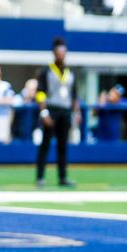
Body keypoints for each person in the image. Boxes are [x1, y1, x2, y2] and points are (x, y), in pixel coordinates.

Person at [35, 37, 79, 188]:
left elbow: (74, 95)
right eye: (59, 52)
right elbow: (40, 93)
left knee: (63, 145)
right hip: (52, 109)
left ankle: (62, 177)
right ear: (54, 53)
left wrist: (76, 113)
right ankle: (40, 176)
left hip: (65, 111)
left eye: (64, 52)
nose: (61, 55)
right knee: (45, 144)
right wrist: (44, 113)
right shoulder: (46, 71)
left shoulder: (70, 72)